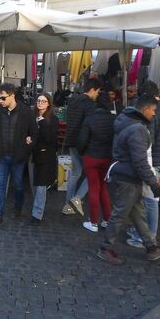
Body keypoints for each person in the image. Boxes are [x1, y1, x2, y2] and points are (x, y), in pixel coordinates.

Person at [97, 95, 160, 264]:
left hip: (127, 175)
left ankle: (151, 247)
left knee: (138, 214)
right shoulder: (137, 129)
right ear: (145, 110)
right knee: (120, 215)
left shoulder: (129, 123)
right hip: (128, 178)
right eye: (153, 110)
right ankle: (105, 248)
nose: (154, 114)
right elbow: (140, 161)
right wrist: (153, 183)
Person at [126, 81, 160, 248]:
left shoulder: (152, 112)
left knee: (150, 200)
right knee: (148, 198)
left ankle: (148, 236)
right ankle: (140, 231)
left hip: (153, 161)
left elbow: (149, 140)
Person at [0, 83, 38, 229]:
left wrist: (26, 149)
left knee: (18, 185)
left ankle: (17, 207)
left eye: (3, 98)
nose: (0, 101)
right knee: (0, 186)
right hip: (1, 156)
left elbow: (34, 134)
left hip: (18, 157)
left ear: (12, 95)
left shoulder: (26, 112)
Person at [62, 78, 102, 216]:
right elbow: (91, 125)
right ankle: (76, 199)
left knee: (76, 173)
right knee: (93, 173)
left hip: (71, 140)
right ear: (92, 90)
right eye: (97, 91)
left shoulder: (73, 100)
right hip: (83, 143)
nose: (97, 94)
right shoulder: (89, 104)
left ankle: (68, 205)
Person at [77, 92, 115, 233]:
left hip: (91, 157)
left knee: (94, 189)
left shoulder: (90, 119)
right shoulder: (114, 119)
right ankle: (106, 220)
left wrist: (82, 152)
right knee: (103, 188)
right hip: (107, 158)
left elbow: (82, 140)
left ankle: (93, 222)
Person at [30, 93, 58, 224]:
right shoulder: (32, 117)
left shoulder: (52, 119)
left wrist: (41, 121)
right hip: (33, 154)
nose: (40, 103)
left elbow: (50, 139)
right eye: (39, 100)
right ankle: (36, 211)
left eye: (43, 101)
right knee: (35, 184)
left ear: (48, 104)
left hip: (46, 156)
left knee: (41, 185)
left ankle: (37, 215)